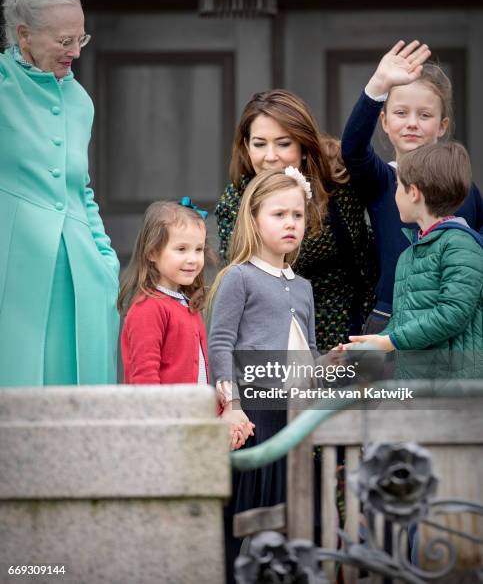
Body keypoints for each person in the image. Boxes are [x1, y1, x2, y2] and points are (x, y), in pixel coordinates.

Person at [0, 0, 119, 386]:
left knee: (79, 396)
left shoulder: (79, 100)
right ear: (24, 35)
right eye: (64, 40)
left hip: (79, 272)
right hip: (12, 274)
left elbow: (81, 188)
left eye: (80, 40)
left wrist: (106, 261)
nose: (75, 52)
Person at [208, 167, 317, 581]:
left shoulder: (303, 285)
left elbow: (306, 350)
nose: (291, 223)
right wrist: (232, 406)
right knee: (243, 519)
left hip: (294, 417)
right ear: (254, 218)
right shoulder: (239, 277)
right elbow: (220, 345)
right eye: (278, 214)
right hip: (253, 416)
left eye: (298, 215)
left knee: (288, 517)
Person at [215, 89, 377, 351]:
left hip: (353, 331)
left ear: (303, 146)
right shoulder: (236, 203)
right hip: (276, 343)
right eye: (259, 144)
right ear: (246, 146)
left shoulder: (337, 179)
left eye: (283, 143)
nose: (270, 156)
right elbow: (239, 288)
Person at [341, 40, 483, 335]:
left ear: (442, 126)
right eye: (401, 113)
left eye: (425, 115)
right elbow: (353, 149)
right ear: (384, 121)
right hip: (390, 317)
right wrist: (378, 86)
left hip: (451, 320)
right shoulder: (383, 181)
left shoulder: (465, 189)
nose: (412, 123)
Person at [118, 200, 250, 449]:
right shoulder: (148, 308)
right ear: (152, 253)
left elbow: (202, 375)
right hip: (165, 432)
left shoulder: (188, 305)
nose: (192, 259)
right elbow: (144, 379)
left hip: (194, 427)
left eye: (198, 250)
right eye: (181, 249)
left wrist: (224, 415)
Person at [344, 142, 482, 379]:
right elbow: (404, 319)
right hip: (417, 379)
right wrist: (370, 345)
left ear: (414, 193)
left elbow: (453, 313)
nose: (395, 193)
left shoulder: (461, 245)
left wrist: (390, 341)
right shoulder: (410, 253)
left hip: (454, 386)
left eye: (398, 186)